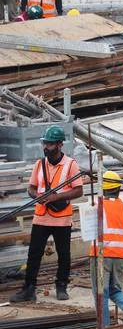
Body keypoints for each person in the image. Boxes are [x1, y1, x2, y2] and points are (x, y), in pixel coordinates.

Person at [10, 125, 83, 302]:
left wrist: (57, 196)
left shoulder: (70, 165)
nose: (46, 147)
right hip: (41, 216)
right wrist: (38, 196)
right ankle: (29, 289)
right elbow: (31, 188)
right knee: (34, 254)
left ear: (59, 145)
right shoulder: (39, 164)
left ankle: (61, 286)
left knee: (64, 254)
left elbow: (78, 190)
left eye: (50, 144)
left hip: (61, 218)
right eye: (45, 143)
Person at [89, 171, 123, 326]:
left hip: (101, 255)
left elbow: (88, 228)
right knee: (113, 289)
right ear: (118, 188)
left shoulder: (97, 204)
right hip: (120, 256)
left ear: (103, 188)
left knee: (101, 294)